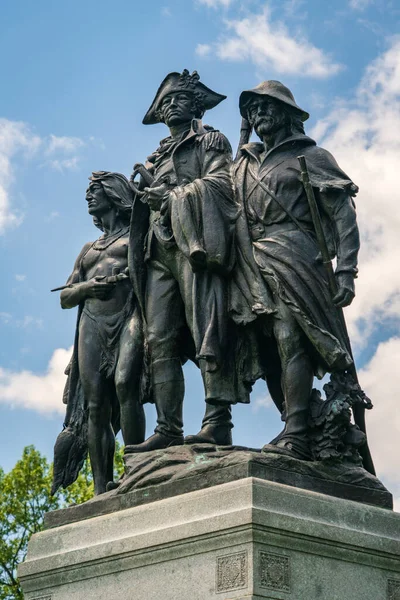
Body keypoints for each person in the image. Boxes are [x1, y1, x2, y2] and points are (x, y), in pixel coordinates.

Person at [232, 80, 360, 460]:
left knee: (292, 336)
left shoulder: (313, 157)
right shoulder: (244, 162)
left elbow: (343, 215)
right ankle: (294, 420)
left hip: (297, 255)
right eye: (253, 111)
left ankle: (298, 431)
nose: (259, 116)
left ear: (288, 113)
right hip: (251, 261)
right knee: (265, 347)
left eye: (267, 107)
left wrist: (347, 270)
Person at [127, 70, 244, 452]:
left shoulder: (210, 140)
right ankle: (168, 428)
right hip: (157, 249)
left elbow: (222, 184)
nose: (169, 106)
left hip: (195, 246)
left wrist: (175, 196)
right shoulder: (156, 155)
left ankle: (217, 421)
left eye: (177, 99)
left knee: (204, 329)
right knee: (158, 339)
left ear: (195, 105)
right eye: (164, 103)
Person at [53, 172, 146, 495]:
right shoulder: (88, 249)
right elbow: (66, 296)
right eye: (88, 193)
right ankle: (100, 487)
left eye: (95, 191)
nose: (89, 198)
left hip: (129, 317)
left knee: (125, 384)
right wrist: (89, 286)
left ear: (112, 194)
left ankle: (137, 470)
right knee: (96, 405)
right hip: (91, 323)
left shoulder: (135, 237)